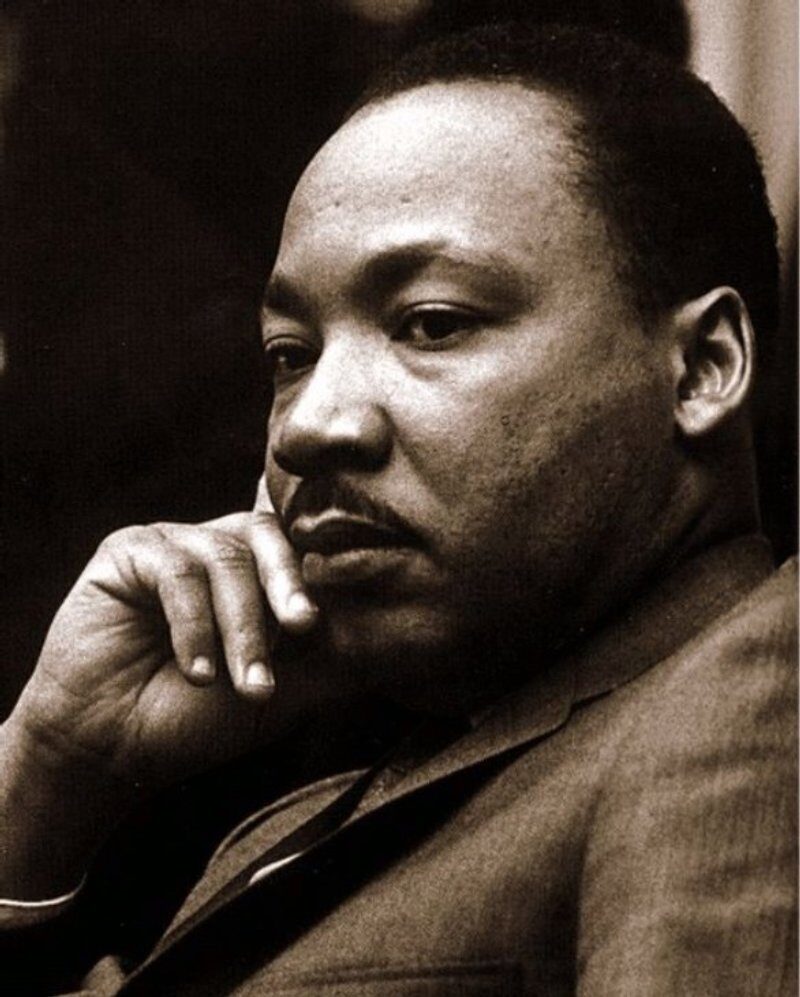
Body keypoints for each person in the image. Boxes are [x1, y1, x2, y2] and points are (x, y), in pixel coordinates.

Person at [1, 22, 795, 996]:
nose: (307, 427)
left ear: (703, 367)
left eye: (430, 323)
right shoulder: (322, 814)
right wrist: (48, 771)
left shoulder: (752, 704)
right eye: (290, 354)